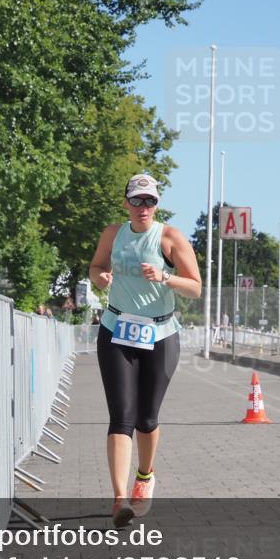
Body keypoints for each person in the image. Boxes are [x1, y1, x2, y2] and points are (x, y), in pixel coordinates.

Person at [88, 173, 202, 527]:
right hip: (116, 329)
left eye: (149, 201)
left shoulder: (169, 237)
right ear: (126, 204)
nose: (143, 208)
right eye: (136, 201)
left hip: (160, 334)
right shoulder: (113, 234)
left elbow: (195, 287)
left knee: (146, 419)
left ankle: (145, 476)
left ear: (157, 204)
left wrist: (165, 277)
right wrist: (100, 277)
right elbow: (95, 267)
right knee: (121, 417)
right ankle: (119, 498)